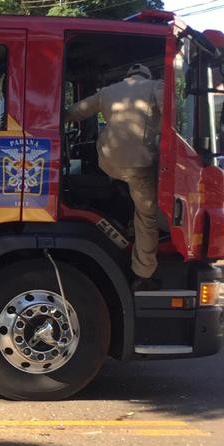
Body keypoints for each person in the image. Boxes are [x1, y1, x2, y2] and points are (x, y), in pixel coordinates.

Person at [65, 63, 164, 291]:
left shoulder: (108, 92)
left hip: (108, 163)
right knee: (147, 216)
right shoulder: (155, 87)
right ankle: (143, 272)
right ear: (147, 75)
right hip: (140, 165)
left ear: (127, 76)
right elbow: (171, 119)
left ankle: (122, 222)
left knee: (122, 185)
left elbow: (77, 111)